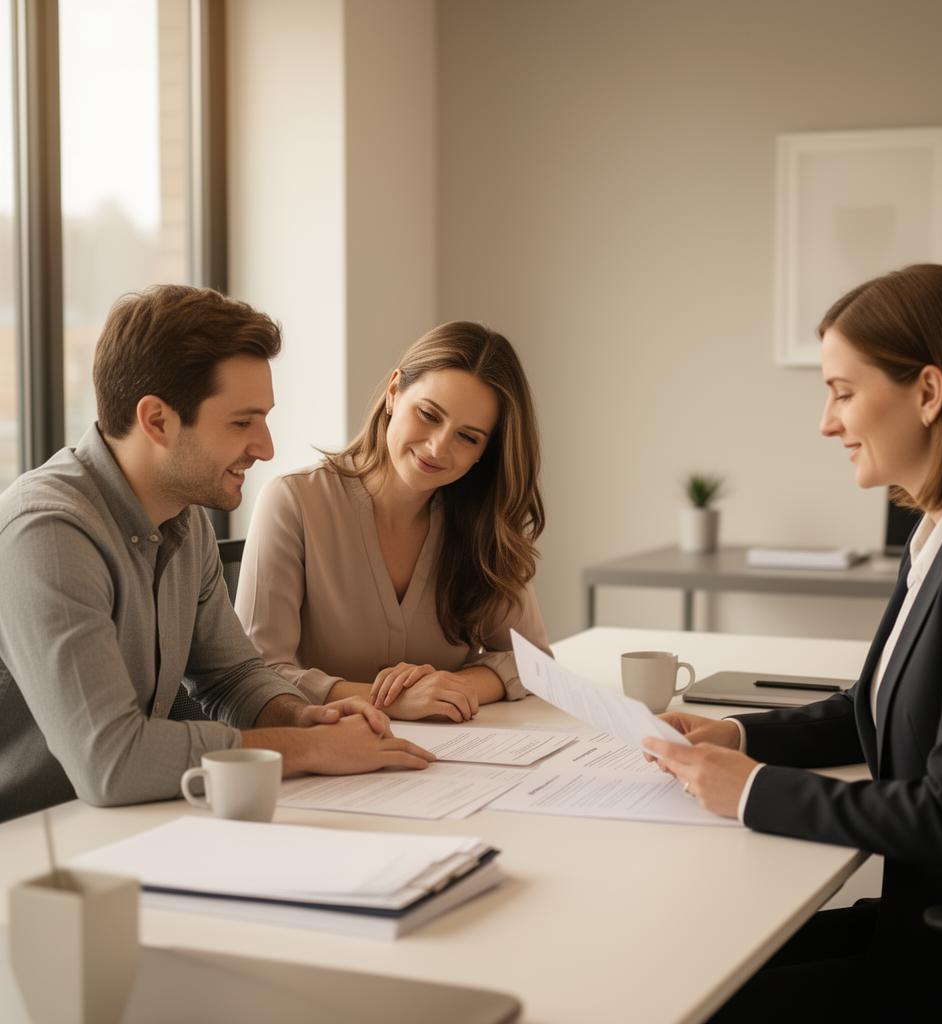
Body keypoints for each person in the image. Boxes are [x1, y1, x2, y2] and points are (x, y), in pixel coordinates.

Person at [643, 265, 942, 1016]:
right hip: (915, 922)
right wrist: (736, 735)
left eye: (843, 392)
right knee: (678, 961)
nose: (826, 422)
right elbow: (872, 707)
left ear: (929, 392)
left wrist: (750, 789)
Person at [0, 285, 432, 823]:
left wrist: (301, 718)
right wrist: (310, 750)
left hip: (128, 823)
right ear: (157, 420)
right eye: (241, 422)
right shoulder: (46, 532)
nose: (266, 448)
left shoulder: (183, 520)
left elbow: (230, 676)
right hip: (30, 841)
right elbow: (112, 762)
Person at [236, 321, 549, 722]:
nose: (437, 447)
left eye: (467, 437)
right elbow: (256, 676)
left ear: (483, 453)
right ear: (394, 392)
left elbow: (534, 662)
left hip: (453, 751)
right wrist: (389, 700)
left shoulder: (484, 522)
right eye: (428, 414)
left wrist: (451, 690)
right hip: (328, 751)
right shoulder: (293, 502)